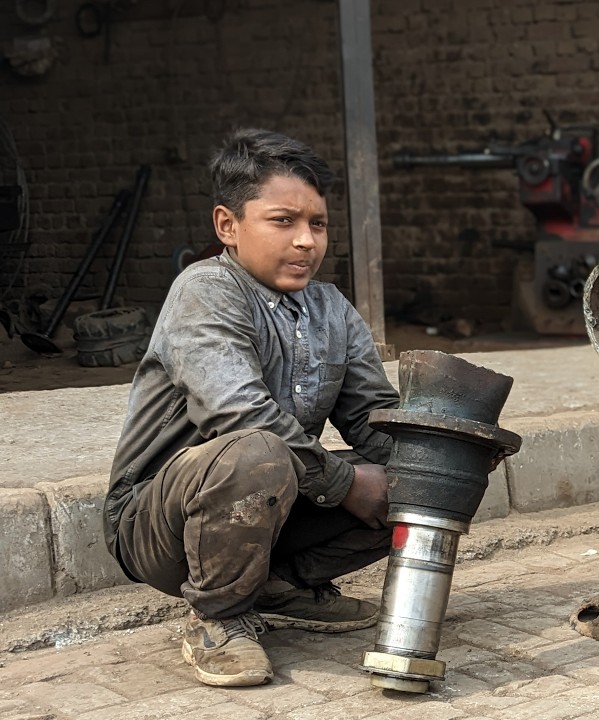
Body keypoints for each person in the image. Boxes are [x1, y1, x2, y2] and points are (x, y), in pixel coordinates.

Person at [103, 129, 402, 687]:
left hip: (275, 506)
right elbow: (238, 417)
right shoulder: (206, 291)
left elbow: (374, 418)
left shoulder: (331, 308)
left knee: (433, 470)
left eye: (317, 224)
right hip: (157, 524)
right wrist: (345, 483)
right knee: (258, 452)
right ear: (228, 226)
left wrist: (438, 458)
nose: (306, 241)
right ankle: (217, 617)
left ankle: (275, 588)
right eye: (283, 221)